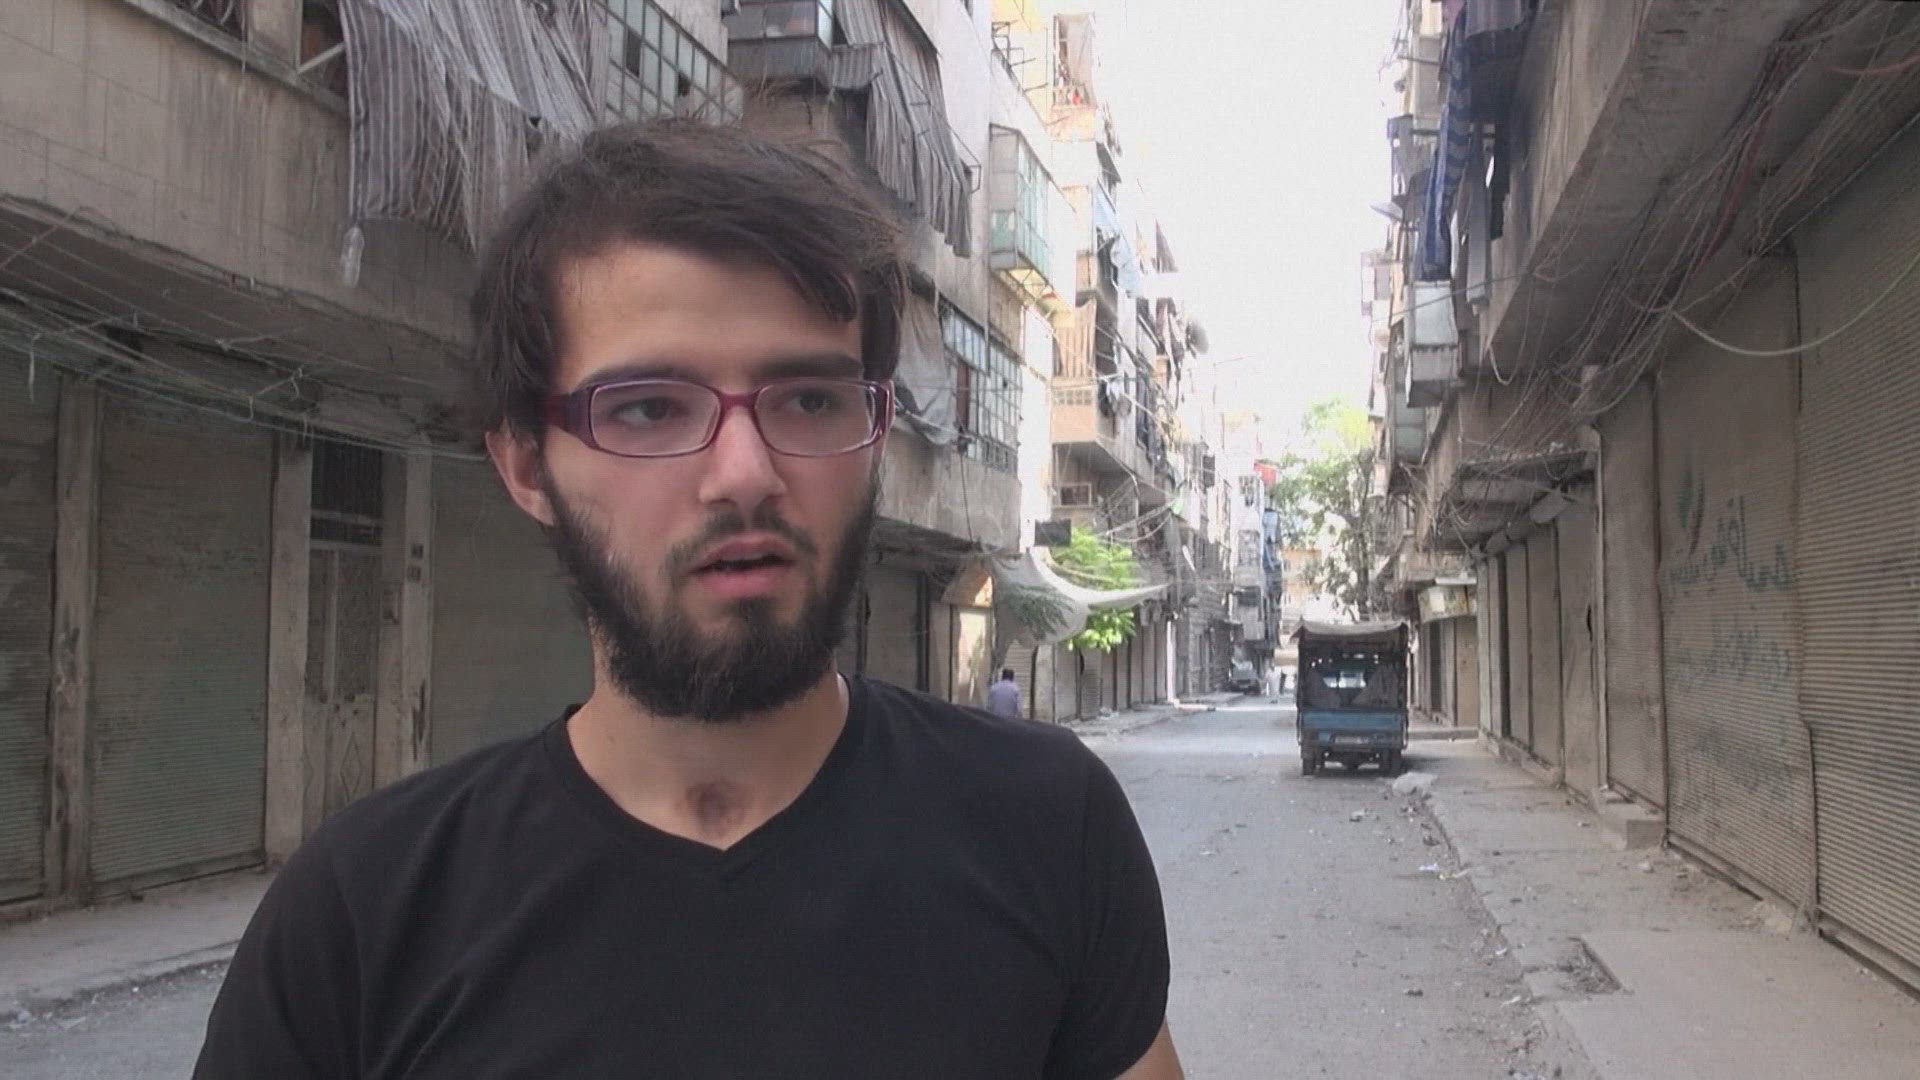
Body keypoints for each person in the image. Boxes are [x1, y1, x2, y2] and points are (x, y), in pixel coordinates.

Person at [194, 121, 1181, 1080]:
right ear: (527, 465)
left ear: (875, 431)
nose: (744, 474)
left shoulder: (1047, 825)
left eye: (809, 400)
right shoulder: (363, 909)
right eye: (648, 408)